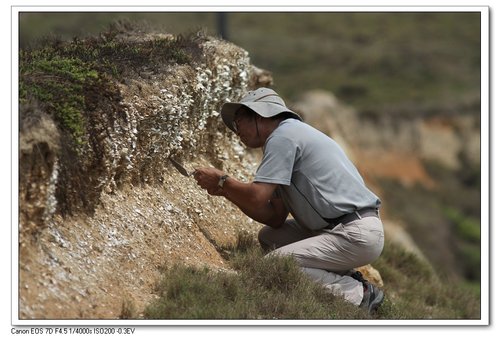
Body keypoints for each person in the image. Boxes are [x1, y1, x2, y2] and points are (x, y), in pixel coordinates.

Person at [193, 87, 385, 313]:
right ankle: (343, 275)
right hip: (348, 228)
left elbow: (256, 198)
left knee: (275, 265)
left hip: (355, 233)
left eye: (239, 122)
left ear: (259, 114)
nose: (237, 131)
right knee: (270, 237)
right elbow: (274, 217)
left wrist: (223, 180)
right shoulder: (291, 135)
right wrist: (226, 191)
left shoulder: (282, 137)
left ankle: (358, 294)